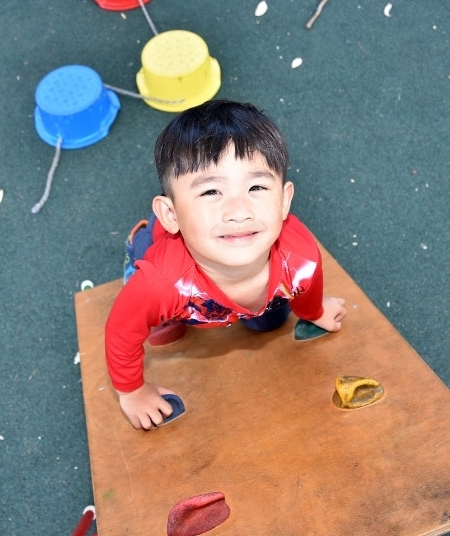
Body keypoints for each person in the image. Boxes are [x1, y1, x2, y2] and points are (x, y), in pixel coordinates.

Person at [105, 100, 347, 429]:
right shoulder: (159, 282)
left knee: (270, 322)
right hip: (167, 265)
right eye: (210, 192)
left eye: (257, 187)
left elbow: (309, 283)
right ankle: (145, 241)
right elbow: (121, 332)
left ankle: (247, 310)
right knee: (148, 293)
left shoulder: (300, 256)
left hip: (224, 300)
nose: (238, 210)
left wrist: (314, 311)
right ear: (172, 214)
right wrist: (132, 392)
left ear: (284, 200)